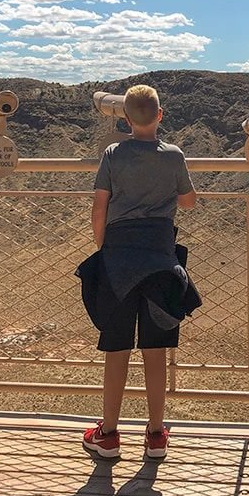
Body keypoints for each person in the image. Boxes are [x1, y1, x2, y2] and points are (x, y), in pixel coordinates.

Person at [79, 85, 199, 460]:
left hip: (118, 261)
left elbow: (100, 206)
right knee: (155, 350)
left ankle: (109, 433)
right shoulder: (174, 155)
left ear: (126, 119)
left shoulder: (113, 154)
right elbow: (189, 201)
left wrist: (103, 247)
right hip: (161, 260)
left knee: (116, 349)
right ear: (160, 115)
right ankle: (156, 434)